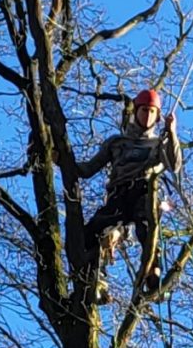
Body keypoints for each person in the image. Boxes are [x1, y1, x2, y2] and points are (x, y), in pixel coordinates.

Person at [73, 88, 182, 303]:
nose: (148, 116)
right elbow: (88, 169)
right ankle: (95, 281)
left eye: (152, 112)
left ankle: (153, 273)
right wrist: (63, 161)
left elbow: (174, 165)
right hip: (119, 195)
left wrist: (172, 133)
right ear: (136, 111)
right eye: (144, 110)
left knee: (147, 227)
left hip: (145, 193)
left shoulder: (159, 144)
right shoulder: (117, 143)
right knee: (94, 231)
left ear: (157, 116)